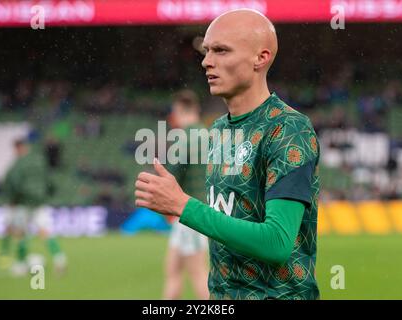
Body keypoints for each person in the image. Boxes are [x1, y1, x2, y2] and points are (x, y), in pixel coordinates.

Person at [135, 9, 320, 300]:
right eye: (207, 51)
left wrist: (183, 205)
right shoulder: (219, 130)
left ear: (261, 57)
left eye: (221, 50)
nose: (207, 61)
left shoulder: (288, 129)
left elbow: (277, 242)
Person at [163, 89, 209, 300]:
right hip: (201, 210)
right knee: (173, 270)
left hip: (190, 213)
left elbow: (172, 178)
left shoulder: (185, 138)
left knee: (198, 274)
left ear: (179, 111)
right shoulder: (209, 135)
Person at [0, 139, 67, 276]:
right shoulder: (40, 160)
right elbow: (49, 181)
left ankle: (21, 264)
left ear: (17, 148)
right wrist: (47, 194)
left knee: (20, 233)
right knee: (44, 232)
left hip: (23, 203)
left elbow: (14, 183)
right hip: (40, 202)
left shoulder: (18, 164)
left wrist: (12, 201)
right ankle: (59, 258)